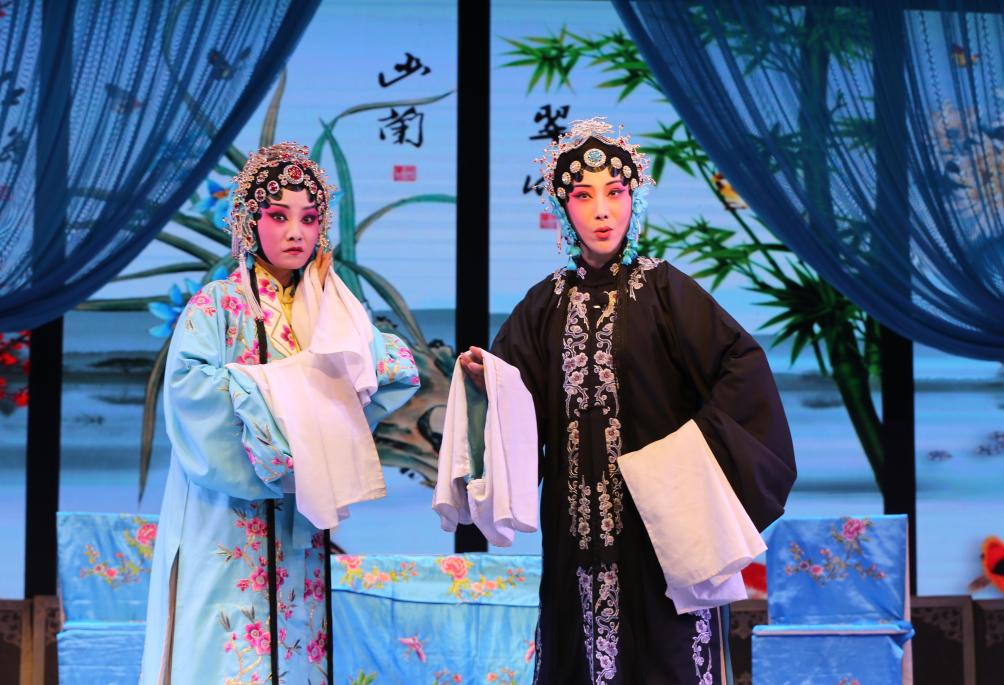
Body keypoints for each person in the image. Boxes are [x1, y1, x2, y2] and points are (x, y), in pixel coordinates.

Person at [458, 118, 796, 684]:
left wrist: (686, 457)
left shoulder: (666, 291)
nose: (602, 211)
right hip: (576, 531)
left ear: (633, 199)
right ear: (563, 208)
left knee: (668, 655)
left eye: (614, 193)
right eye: (583, 196)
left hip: (662, 528)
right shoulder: (543, 305)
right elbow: (518, 412)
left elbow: (741, 369)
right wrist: (485, 384)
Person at [140, 142, 420, 685]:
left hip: (300, 514)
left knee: (297, 642)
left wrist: (324, 402)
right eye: (278, 216)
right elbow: (191, 396)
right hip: (225, 513)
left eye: (309, 218)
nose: (296, 232)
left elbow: (385, 372)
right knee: (226, 644)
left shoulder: (332, 311)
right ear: (250, 221)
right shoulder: (218, 305)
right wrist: (288, 391)